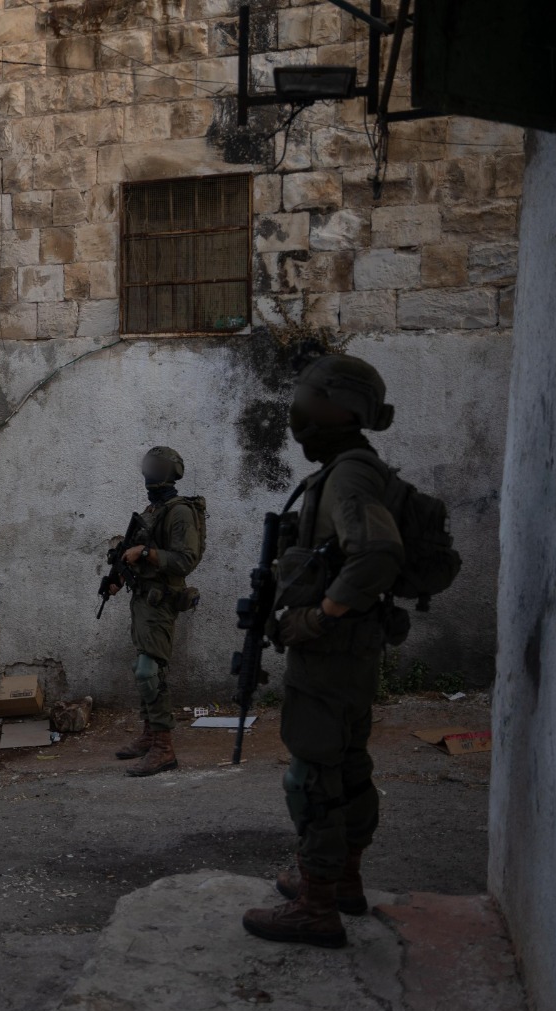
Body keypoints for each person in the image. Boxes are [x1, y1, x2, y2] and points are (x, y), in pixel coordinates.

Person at [242, 354, 405, 949]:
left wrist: (317, 617)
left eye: (310, 399)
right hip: (347, 655)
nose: (299, 413)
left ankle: (316, 906)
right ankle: (342, 883)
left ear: (340, 407)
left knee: (313, 772)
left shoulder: (349, 475)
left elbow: (377, 555)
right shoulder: (348, 468)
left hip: (331, 654)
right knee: (345, 763)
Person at [106, 446, 205, 777]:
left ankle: (164, 748)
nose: (150, 473)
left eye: (157, 467)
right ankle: (150, 735)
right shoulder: (153, 509)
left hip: (162, 601)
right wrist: (118, 578)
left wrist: (145, 552)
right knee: (142, 667)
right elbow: (131, 555)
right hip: (143, 602)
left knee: (149, 672)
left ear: (171, 472)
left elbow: (186, 560)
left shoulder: (180, 512)